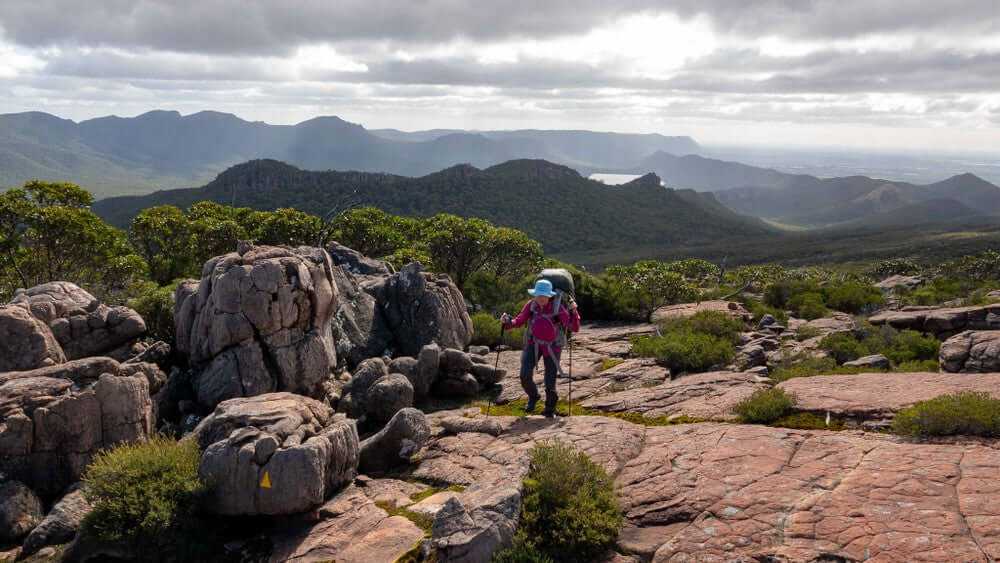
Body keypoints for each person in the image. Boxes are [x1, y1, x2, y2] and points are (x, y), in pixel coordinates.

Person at [501, 279, 581, 417]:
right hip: (533, 344)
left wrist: (574, 312)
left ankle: (550, 408)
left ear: (550, 295)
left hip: (553, 346)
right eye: (538, 295)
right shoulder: (531, 305)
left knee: (550, 379)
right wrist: (508, 321)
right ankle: (533, 396)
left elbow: (574, 327)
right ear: (535, 294)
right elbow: (519, 320)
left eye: (544, 295)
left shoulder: (558, 308)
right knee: (524, 375)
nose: (541, 298)